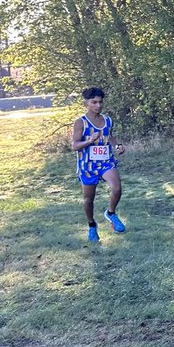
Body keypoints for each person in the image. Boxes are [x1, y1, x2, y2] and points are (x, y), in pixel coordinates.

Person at [72, 87, 126, 242]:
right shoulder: (80, 122)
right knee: (89, 200)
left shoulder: (107, 120)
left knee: (116, 189)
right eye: (94, 102)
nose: (98, 105)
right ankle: (92, 225)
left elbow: (110, 136)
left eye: (100, 102)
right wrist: (89, 140)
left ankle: (110, 213)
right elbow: (74, 146)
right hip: (88, 165)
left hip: (106, 162)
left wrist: (117, 146)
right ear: (86, 103)